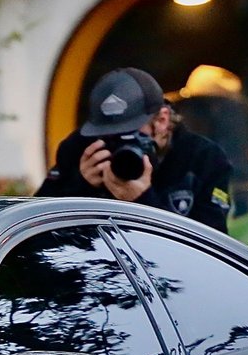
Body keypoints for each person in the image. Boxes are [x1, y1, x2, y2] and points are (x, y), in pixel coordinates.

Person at [38, 66, 231, 232]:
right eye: (109, 136)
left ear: (162, 120)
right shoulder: (81, 147)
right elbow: (35, 225)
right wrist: (79, 186)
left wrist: (144, 201)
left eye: (130, 134)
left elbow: (210, 247)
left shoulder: (203, 158)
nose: (119, 143)